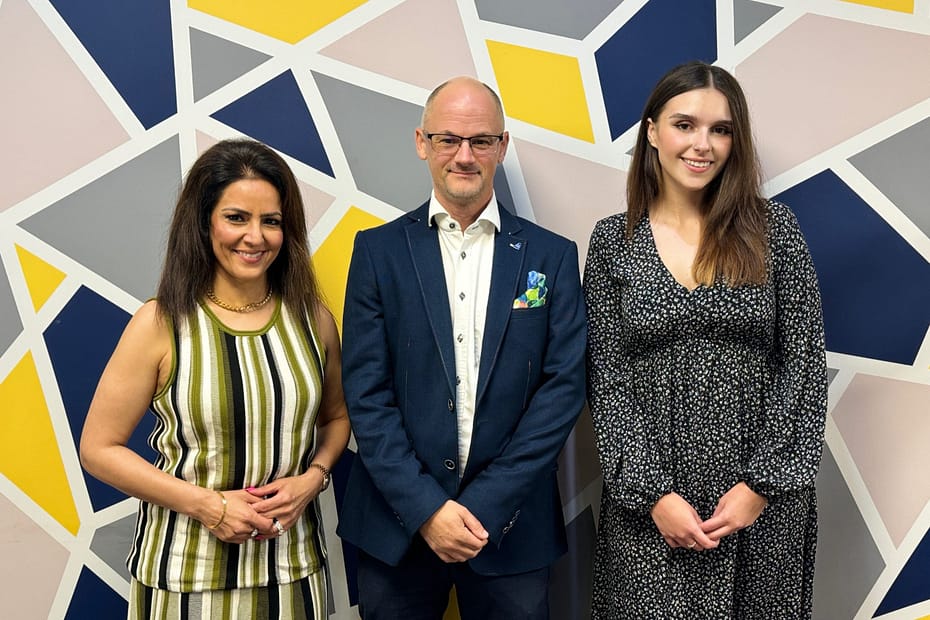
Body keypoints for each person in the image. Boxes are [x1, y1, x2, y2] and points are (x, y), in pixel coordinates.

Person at [584, 61, 827, 618]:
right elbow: (608, 380)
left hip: (760, 508)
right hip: (650, 512)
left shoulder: (775, 231)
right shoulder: (612, 243)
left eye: (721, 129)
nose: (703, 144)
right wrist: (654, 498)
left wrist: (760, 487)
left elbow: (805, 366)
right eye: (685, 124)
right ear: (652, 132)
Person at [337, 76, 586, 619]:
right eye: (448, 139)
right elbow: (366, 393)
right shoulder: (377, 253)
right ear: (422, 142)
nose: (464, 155)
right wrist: (428, 510)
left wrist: (484, 505)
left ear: (503, 146)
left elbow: (562, 389)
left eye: (480, 141)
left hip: (512, 531)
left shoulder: (552, 257)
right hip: (397, 526)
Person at [80, 138, 350, 619]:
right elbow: (99, 449)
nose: (255, 237)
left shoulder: (314, 321)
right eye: (236, 217)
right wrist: (208, 505)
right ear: (203, 223)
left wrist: (315, 476)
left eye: (272, 221)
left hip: (293, 572)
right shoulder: (161, 324)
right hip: (186, 574)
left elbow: (336, 417)